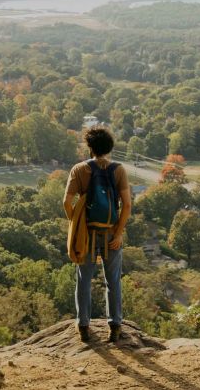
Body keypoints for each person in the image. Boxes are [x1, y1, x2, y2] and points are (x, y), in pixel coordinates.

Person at [63, 126, 131, 343]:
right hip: (111, 232)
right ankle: (115, 326)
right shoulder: (118, 170)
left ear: (90, 147)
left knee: (84, 280)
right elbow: (127, 205)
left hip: (87, 234)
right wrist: (118, 234)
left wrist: (76, 223)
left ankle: (83, 326)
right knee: (113, 282)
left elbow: (66, 201)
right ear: (109, 147)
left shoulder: (79, 170)